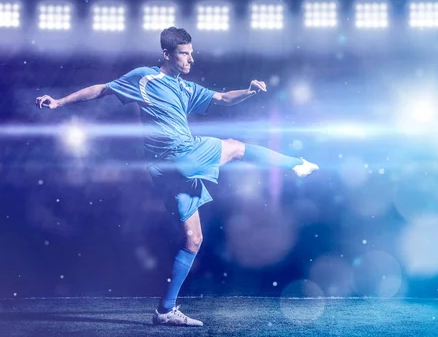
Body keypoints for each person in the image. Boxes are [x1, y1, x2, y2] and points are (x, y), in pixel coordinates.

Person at [35, 26, 319, 327]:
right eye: (184, 53)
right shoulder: (144, 78)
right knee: (236, 147)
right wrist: (60, 102)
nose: (190, 59)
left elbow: (222, 98)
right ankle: (295, 164)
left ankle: (165, 310)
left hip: (168, 173)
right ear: (167, 54)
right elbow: (102, 89)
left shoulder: (185, 88)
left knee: (193, 239)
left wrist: (247, 92)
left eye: (191, 53)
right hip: (178, 154)